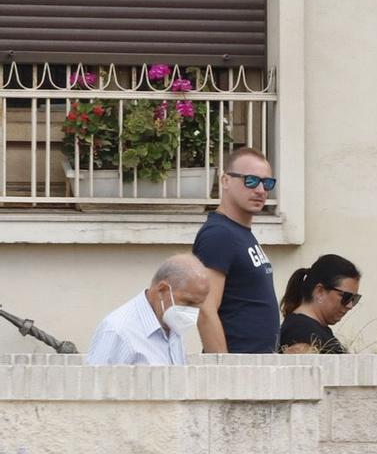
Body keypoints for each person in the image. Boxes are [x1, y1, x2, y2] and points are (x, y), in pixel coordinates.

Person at [192, 146, 280, 354]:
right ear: (225, 181)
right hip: (238, 372)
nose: (260, 190)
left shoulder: (240, 233)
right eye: (250, 180)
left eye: (267, 183)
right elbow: (205, 309)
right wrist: (226, 371)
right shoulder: (219, 235)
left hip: (257, 367)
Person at [85, 254, 211, 366]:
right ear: (162, 290)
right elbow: (95, 387)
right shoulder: (117, 331)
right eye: (188, 302)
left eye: (198, 305)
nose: (192, 311)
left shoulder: (172, 326)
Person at [278, 253, 361, 354]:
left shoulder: (309, 329)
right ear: (320, 292)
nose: (350, 306)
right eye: (347, 297)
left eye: (354, 299)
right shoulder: (300, 333)